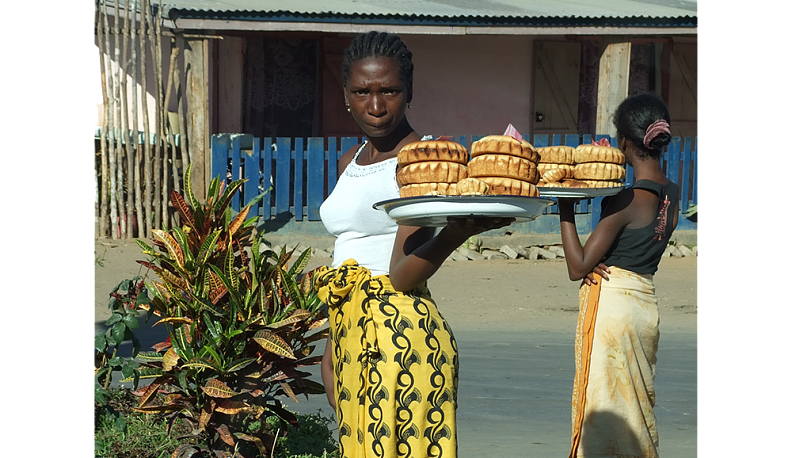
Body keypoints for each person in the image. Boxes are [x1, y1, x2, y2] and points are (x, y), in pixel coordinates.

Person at [313, 31, 511, 458]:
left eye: (389, 91)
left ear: (410, 91)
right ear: (345, 94)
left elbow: (402, 276)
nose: (376, 106)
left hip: (400, 338)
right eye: (362, 92)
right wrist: (332, 345)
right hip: (351, 334)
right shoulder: (349, 162)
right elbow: (349, 255)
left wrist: (457, 233)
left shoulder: (425, 160)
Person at [558, 93, 679, 458]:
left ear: (624, 142)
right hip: (644, 306)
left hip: (612, 307)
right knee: (636, 407)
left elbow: (577, 267)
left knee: (605, 408)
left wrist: (565, 205)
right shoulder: (672, 194)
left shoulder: (627, 200)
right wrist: (600, 259)